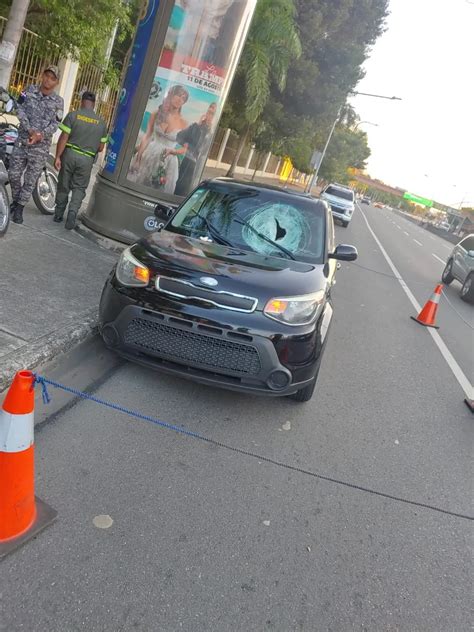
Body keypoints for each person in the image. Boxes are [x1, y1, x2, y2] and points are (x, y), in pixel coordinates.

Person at [9, 65, 64, 224]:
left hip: (40, 148)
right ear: (42, 75)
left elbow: (56, 124)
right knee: (13, 174)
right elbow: (18, 107)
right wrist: (29, 129)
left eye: (52, 78)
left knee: (30, 179)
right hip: (23, 140)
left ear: (57, 82)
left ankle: (19, 207)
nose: (48, 80)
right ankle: (15, 200)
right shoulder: (28, 90)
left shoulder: (58, 102)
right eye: (46, 75)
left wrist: (40, 135)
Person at [53, 91, 108, 229]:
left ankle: (59, 214)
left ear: (81, 101)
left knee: (64, 184)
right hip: (87, 159)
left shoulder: (73, 115)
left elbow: (64, 138)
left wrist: (58, 156)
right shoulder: (101, 123)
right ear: (94, 104)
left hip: (70, 154)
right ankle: (72, 211)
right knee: (79, 187)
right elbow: (101, 148)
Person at [131, 85, 189, 193]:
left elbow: (185, 149)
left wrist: (173, 151)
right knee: (140, 185)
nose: (180, 100)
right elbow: (147, 136)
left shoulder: (184, 123)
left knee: (161, 190)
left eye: (183, 98)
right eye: (178, 95)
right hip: (150, 153)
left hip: (169, 159)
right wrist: (138, 158)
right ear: (171, 94)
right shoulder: (156, 113)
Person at [174, 102, 216, 196]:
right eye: (209, 112)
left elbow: (204, 150)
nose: (209, 116)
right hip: (188, 161)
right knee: (180, 187)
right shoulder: (195, 126)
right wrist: (186, 145)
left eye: (212, 114)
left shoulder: (211, 134)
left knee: (191, 190)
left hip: (198, 165)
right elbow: (179, 136)